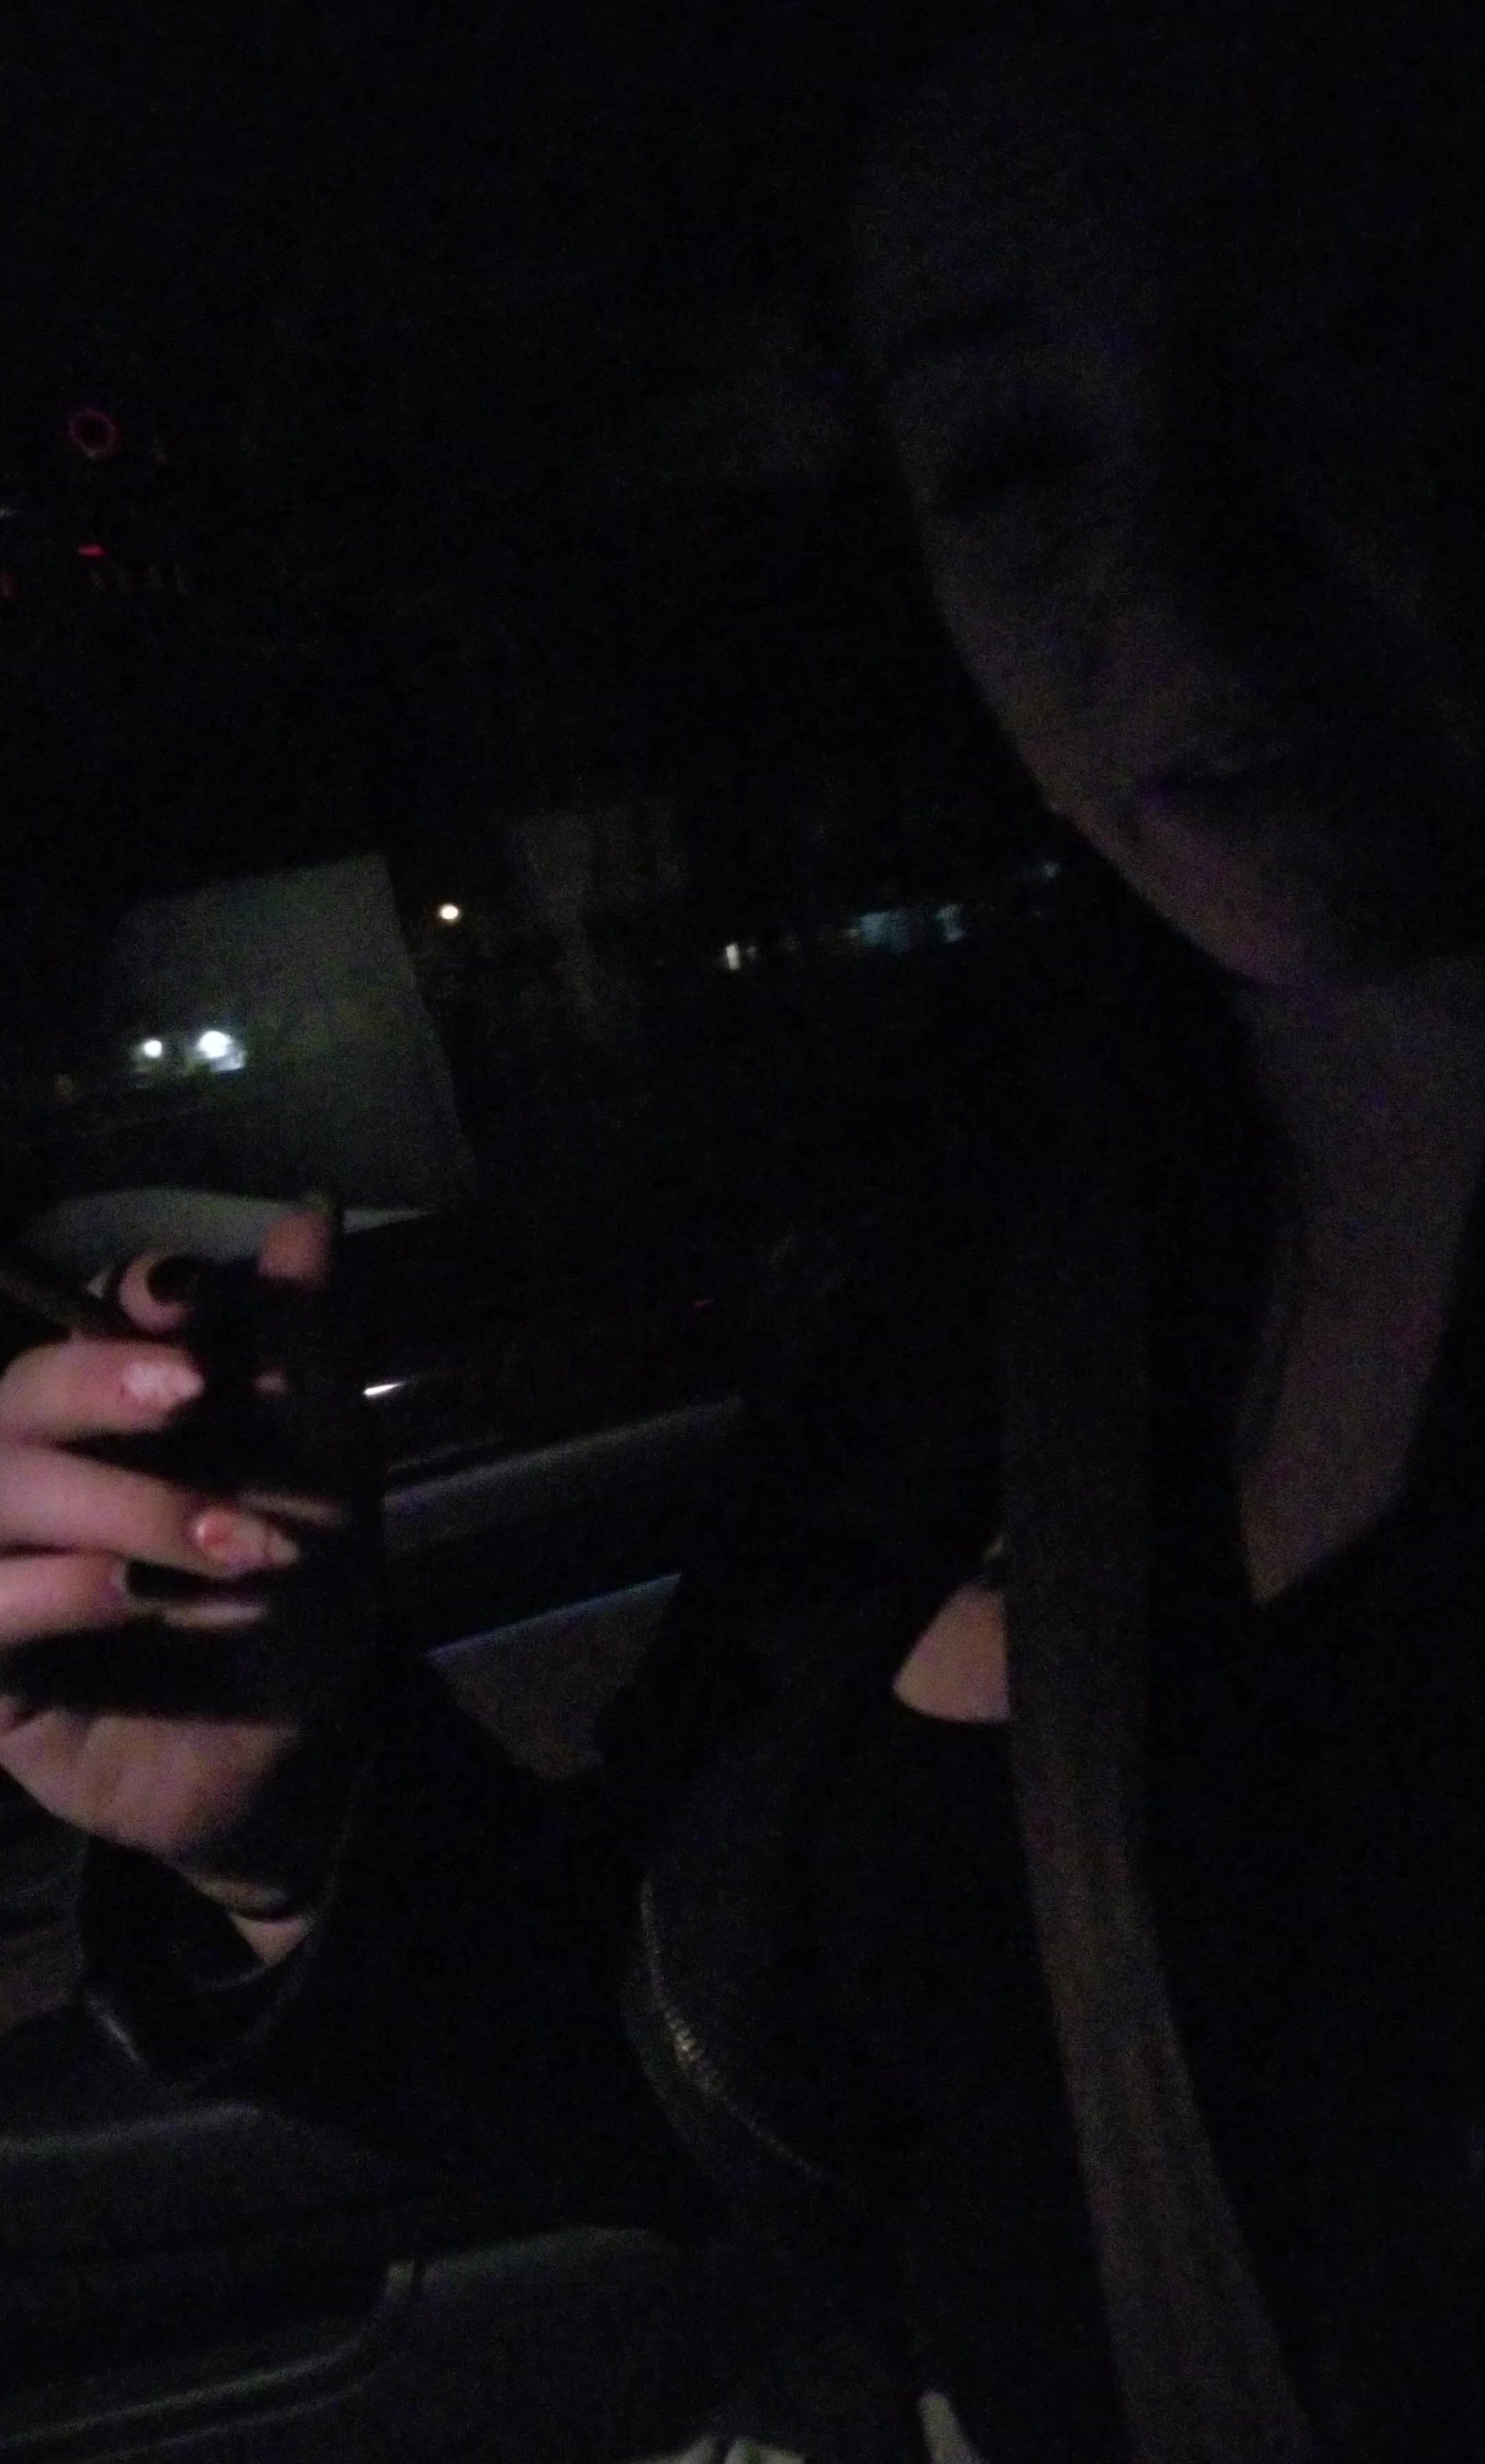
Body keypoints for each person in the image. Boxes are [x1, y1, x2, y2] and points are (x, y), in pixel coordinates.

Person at [1, 1, 1482, 2454]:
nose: (1173, 569)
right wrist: (293, 1821)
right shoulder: (1005, 1255)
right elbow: (787, 2107)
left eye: (1340, 336)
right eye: (1010, 452)